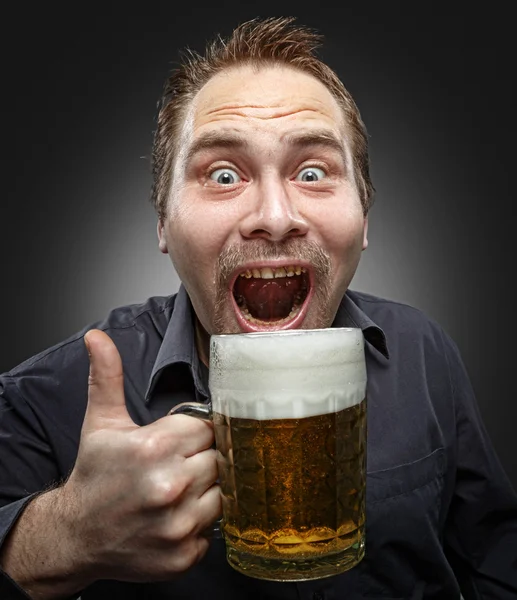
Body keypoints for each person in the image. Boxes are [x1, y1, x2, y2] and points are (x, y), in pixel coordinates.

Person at [0, 16, 516, 600]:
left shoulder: (424, 350)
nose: (274, 216)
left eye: (314, 171)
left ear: (364, 218)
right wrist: (63, 535)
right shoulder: (43, 397)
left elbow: (495, 551)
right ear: (163, 222)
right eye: (223, 174)